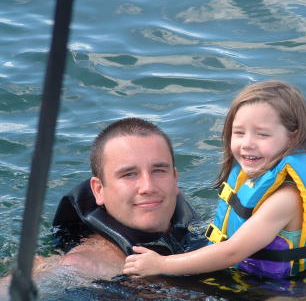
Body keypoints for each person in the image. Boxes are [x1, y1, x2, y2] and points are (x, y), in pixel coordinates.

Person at [123, 80, 306, 280]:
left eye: (263, 134)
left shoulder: (285, 199)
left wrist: (161, 265)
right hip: (247, 274)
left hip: (288, 288)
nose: (247, 144)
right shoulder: (259, 171)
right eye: (239, 132)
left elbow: (232, 252)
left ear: (292, 138)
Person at [1, 117, 200, 298]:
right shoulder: (83, 265)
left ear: (175, 178)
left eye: (158, 170)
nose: (148, 187)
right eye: (129, 174)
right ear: (99, 190)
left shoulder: (201, 235)